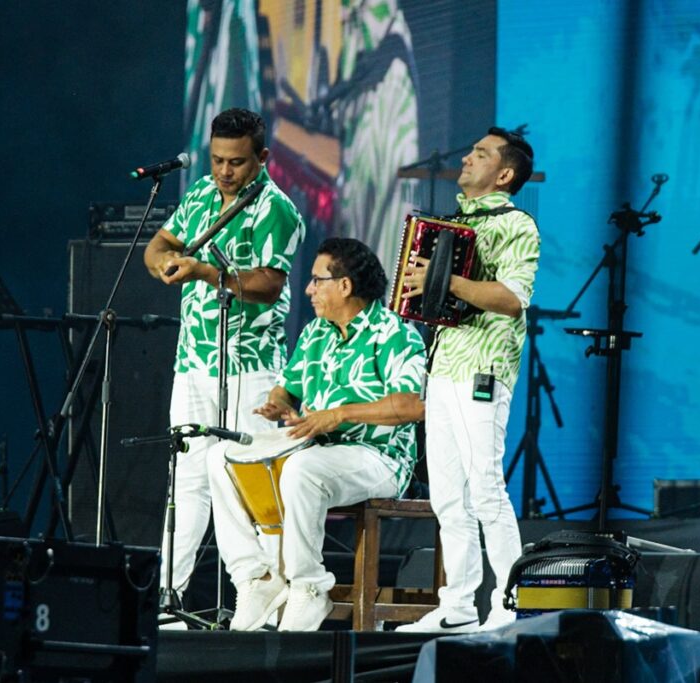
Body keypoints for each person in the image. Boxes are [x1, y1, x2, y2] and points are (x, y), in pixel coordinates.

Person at [207, 237, 426, 632]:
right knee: (220, 457)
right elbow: (285, 389)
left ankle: (308, 587)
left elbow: (411, 405)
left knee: (301, 469)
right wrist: (278, 404)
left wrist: (338, 415)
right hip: (315, 448)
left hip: (378, 457)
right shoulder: (315, 334)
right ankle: (255, 577)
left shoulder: (395, 333)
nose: (308, 289)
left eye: (316, 280)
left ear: (345, 285)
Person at [143, 108, 305, 599]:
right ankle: (169, 596)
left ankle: (270, 593)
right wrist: (164, 262)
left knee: (254, 482)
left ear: (262, 157)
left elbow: (268, 285)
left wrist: (203, 272)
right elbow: (158, 245)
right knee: (187, 480)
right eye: (217, 160)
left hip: (250, 368)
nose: (224, 171)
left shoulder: (277, 209)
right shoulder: (199, 195)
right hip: (194, 361)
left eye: (236, 162)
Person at [396, 127, 540, 633]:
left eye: (480, 153)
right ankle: (457, 606)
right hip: (443, 366)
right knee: (447, 497)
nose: (467, 158)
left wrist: (444, 280)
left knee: (485, 488)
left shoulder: (517, 224)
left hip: (483, 367)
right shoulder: (455, 223)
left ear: (504, 174)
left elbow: (512, 298)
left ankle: (511, 603)